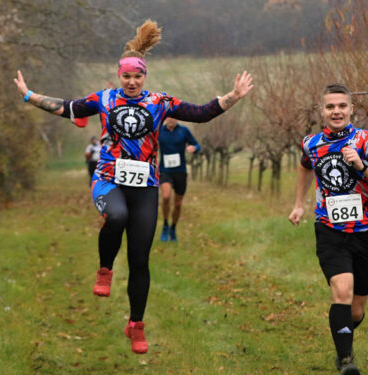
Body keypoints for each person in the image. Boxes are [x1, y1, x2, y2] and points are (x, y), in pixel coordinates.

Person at [13, 20, 253, 354]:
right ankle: (105, 269)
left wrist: (233, 97)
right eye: (126, 76)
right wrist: (29, 95)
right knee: (116, 217)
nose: (132, 81)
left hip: (145, 186)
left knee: (141, 259)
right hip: (108, 179)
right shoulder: (105, 98)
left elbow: (200, 113)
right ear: (118, 76)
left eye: (137, 76)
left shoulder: (160, 102)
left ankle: (136, 325)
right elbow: (66, 107)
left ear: (145, 76)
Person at [288, 83, 368, 375]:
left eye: (342, 106)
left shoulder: (365, 140)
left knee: (357, 310)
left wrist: (361, 165)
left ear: (351, 109)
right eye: (330, 106)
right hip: (330, 230)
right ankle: (346, 361)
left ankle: (342, 342)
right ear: (322, 111)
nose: (336, 111)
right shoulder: (311, 143)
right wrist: (299, 204)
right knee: (342, 291)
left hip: (365, 233)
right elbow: (304, 167)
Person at [158, 118, 200, 242]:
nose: (171, 120)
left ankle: (173, 228)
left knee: (178, 204)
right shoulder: (159, 130)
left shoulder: (183, 131)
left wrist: (194, 148)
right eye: (169, 117)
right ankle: (165, 224)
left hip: (180, 171)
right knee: (166, 196)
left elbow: (197, 145)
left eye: (174, 117)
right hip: (165, 170)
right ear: (166, 118)